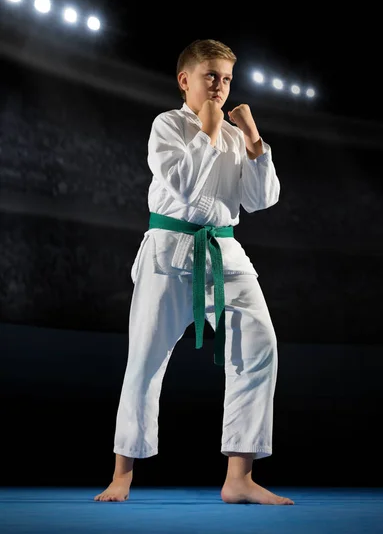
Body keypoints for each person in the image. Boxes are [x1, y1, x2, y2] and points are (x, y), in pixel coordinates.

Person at [94, 39, 294, 505]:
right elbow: (182, 185)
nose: (220, 86)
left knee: (260, 343)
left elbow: (260, 200)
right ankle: (122, 473)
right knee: (145, 358)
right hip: (169, 250)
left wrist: (252, 141)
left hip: (224, 247)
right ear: (185, 79)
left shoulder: (234, 134)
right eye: (211, 76)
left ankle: (239, 477)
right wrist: (206, 132)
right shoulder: (167, 126)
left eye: (226, 78)